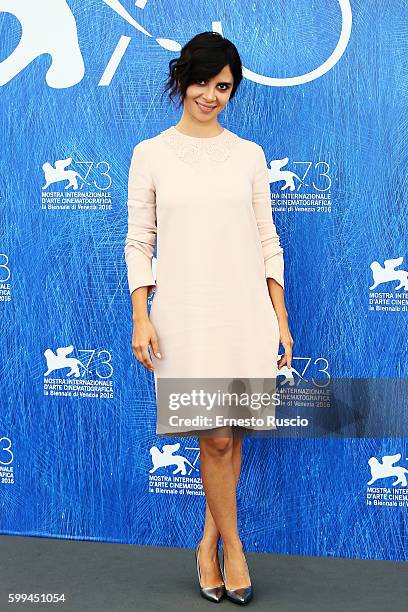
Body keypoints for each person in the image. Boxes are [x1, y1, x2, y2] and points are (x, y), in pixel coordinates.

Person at [124, 31, 294, 605]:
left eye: (223, 86)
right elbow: (138, 241)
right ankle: (235, 550)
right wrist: (140, 316)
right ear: (182, 80)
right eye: (201, 81)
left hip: (244, 311)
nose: (210, 94)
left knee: (229, 438)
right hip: (184, 316)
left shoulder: (248, 155)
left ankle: (206, 545)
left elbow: (267, 238)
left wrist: (281, 315)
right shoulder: (149, 153)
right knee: (216, 436)